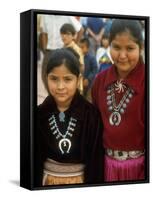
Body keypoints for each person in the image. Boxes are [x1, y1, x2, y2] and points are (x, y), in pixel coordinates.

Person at [34, 48, 104, 187]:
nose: (60, 86)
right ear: (46, 78)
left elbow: (95, 162)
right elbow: (34, 160)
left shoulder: (91, 115)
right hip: (47, 182)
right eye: (54, 79)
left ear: (78, 79)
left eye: (67, 79)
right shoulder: (39, 114)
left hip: (81, 183)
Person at [92, 19, 145, 182]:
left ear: (141, 48)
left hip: (141, 168)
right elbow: (95, 125)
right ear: (109, 46)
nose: (122, 56)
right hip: (107, 166)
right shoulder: (100, 81)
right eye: (116, 47)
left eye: (130, 48)